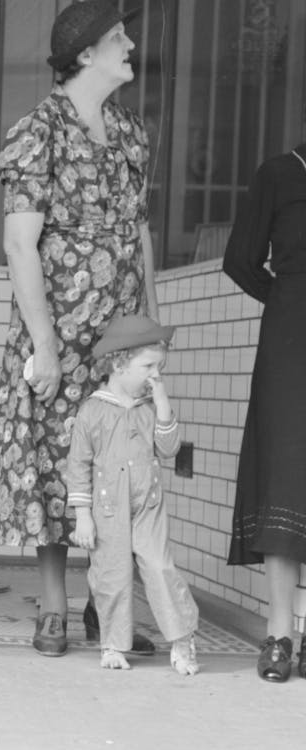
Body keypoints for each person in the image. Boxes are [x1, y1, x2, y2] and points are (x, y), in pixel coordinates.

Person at [0, 0, 160, 657]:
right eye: (117, 37)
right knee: (53, 464)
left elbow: (139, 234)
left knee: (120, 464)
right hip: (55, 329)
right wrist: (46, 345)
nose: (130, 45)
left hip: (115, 339)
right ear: (84, 55)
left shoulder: (132, 134)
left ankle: (104, 603)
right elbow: (20, 245)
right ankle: (53, 606)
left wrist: (148, 332)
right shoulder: (38, 131)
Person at [66, 315, 200, 675]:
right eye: (149, 367)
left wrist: (162, 400)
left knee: (159, 567)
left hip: (148, 506)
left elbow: (169, 448)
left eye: (161, 368)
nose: (156, 375)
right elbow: (77, 466)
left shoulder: (149, 408)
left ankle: (182, 637)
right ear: (119, 363)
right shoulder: (92, 411)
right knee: (111, 573)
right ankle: (112, 643)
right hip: (108, 507)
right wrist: (82, 516)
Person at [223, 144, 306, 682]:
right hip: (291, 339)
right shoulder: (279, 172)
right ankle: (280, 634)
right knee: (285, 474)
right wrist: (287, 300)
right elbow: (240, 260)